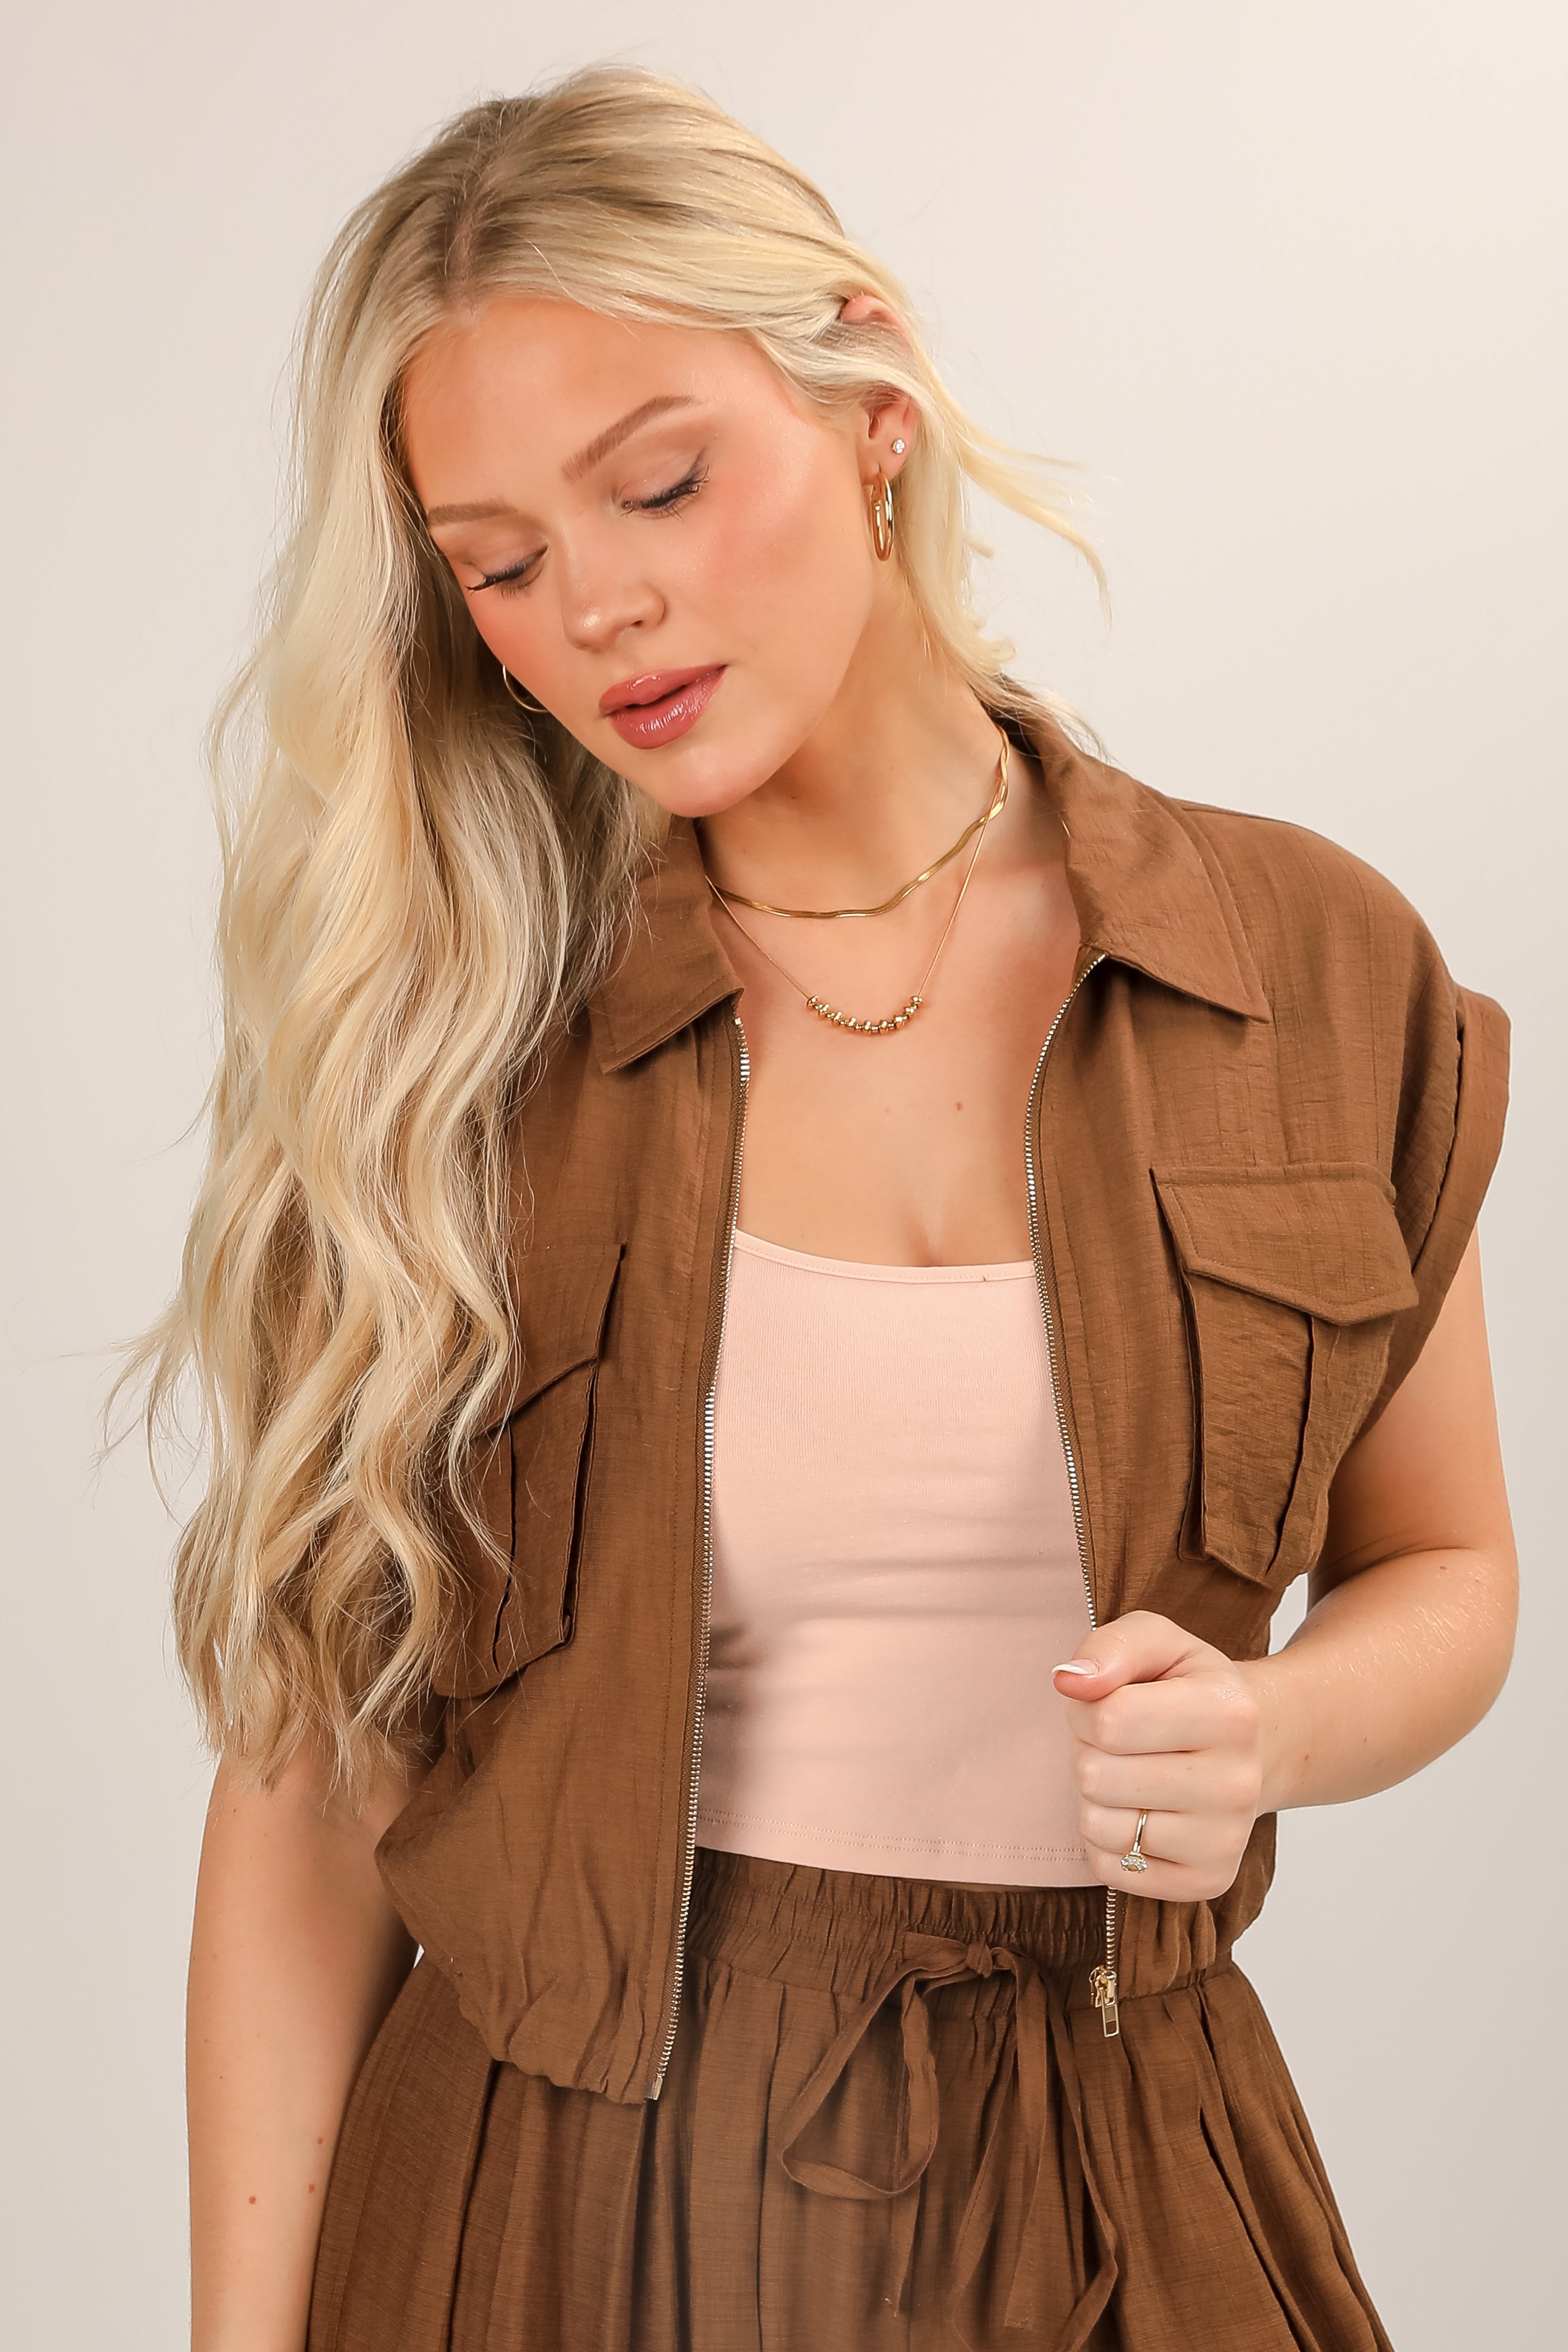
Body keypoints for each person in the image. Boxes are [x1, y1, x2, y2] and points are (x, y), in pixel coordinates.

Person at [157, 66, 1516, 2352]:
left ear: (868, 398)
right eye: (495, 561)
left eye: (661, 481)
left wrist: (1271, 1732)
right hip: (555, 2213)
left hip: (1128, 2167)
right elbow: (306, 1804)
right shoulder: (447, 1051)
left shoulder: (1303, 963)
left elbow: (1448, 1569)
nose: (597, 605)